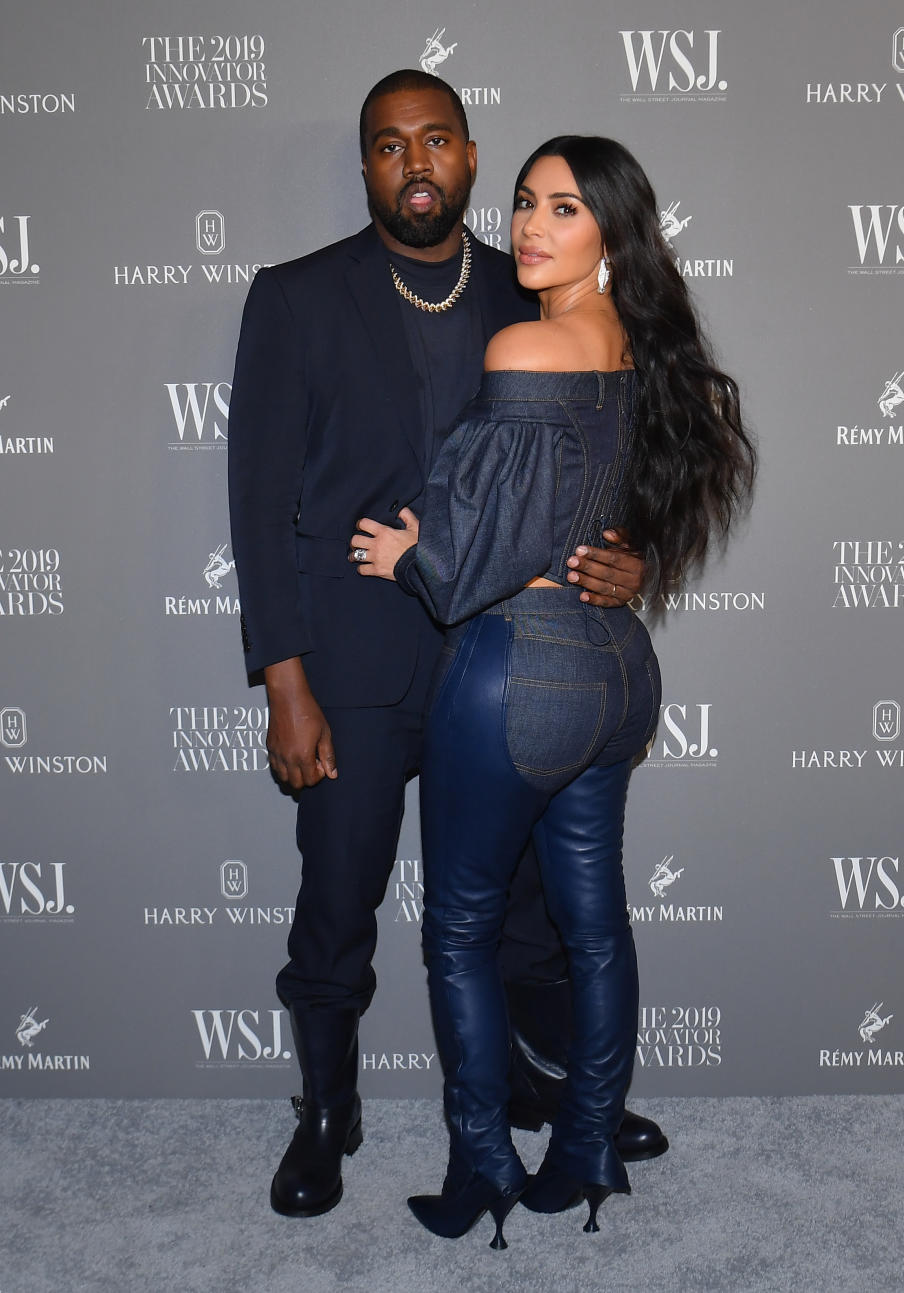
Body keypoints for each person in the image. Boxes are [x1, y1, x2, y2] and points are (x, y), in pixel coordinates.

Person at [227, 71, 666, 1220]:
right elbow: (257, 504)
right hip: (352, 667)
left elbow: (586, 473)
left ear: (471, 157)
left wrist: (631, 561)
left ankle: (546, 1093)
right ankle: (329, 1115)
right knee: (341, 900)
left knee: (524, 911)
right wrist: (286, 683)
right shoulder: (296, 297)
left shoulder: (526, 299)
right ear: (367, 165)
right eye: (387, 145)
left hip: (496, 662)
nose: (415, 163)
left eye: (436, 141)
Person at [352, 135, 755, 1245]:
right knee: (597, 927)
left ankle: (483, 1164)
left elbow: (476, 532)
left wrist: (413, 558)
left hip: (517, 672)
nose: (531, 226)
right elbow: (613, 515)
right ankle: (583, 1148)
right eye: (526, 203)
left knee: (460, 932)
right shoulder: (642, 352)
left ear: (613, 235)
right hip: (618, 675)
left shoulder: (529, 346)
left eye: (564, 209)